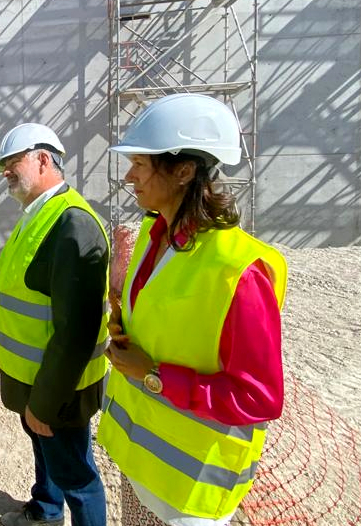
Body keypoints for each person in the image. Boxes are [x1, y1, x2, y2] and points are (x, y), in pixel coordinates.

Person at [96, 93, 288, 526]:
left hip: (191, 494)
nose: (129, 177)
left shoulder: (239, 271)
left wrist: (155, 376)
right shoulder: (152, 232)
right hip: (141, 464)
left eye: (141, 165)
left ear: (183, 171)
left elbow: (259, 396)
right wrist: (124, 323)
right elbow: (164, 318)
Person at [0, 124, 110, 526]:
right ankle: (44, 512)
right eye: (4, 166)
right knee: (47, 456)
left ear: (43, 159)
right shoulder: (37, 214)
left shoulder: (72, 223)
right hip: (34, 382)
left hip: (57, 389)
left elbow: (77, 331)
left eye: (13, 162)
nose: (6, 172)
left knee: (78, 477)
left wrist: (44, 401)